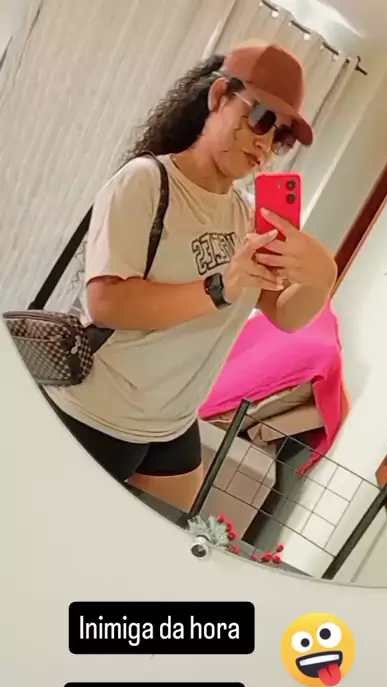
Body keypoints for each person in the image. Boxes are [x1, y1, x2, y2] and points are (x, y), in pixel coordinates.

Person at [45, 41, 337, 512]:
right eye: (261, 117)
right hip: (101, 412)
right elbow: (108, 303)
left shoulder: (248, 215)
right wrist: (223, 286)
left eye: (280, 135)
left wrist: (323, 278)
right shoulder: (147, 181)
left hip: (173, 423)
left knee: (161, 543)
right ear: (219, 96)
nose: (265, 143)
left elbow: (283, 314)